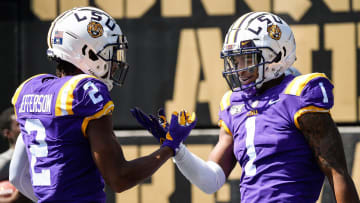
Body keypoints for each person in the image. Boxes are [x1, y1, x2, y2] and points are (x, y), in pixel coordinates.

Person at [131, 12, 360, 202]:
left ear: (276, 55)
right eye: (235, 60)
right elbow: (212, 181)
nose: (239, 68)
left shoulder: (298, 94)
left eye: (247, 59)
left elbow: (337, 173)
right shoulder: (234, 103)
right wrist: (176, 149)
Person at [9, 6, 196, 203]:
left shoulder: (29, 89)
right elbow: (119, 179)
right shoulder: (85, 91)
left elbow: (17, 176)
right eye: (109, 53)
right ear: (86, 52)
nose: (115, 63)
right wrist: (170, 146)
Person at [0, 107, 32, 203]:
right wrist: (11, 200)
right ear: (7, 133)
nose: (24, 126)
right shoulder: (2, 162)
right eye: (18, 124)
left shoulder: (42, 155)